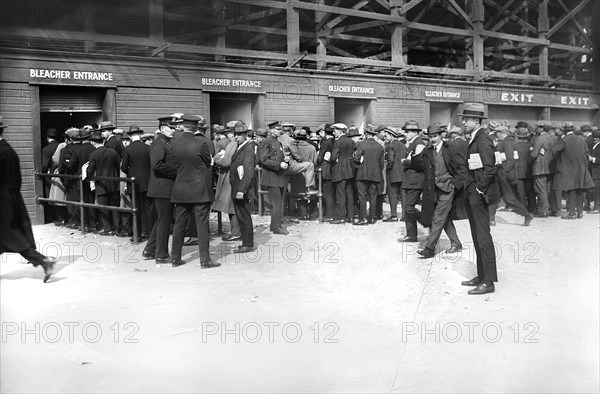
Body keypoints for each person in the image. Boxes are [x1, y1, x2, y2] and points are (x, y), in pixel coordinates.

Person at [0, 116, 57, 282]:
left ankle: (44, 261)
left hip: (3, 200)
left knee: (13, 236)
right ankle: (43, 261)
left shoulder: (2, 151)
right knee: (11, 236)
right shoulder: (9, 150)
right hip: (11, 197)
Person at [460, 103, 499, 295]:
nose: (463, 122)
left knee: (483, 238)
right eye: (463, 119)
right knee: (477, 237)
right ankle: (481, 275)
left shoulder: (483, 140)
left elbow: (491, 168)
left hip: (479, 196)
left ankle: (489, 281)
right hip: (473, 194)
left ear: (477, 120)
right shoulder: (475, 138)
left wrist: (478, 189)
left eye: (467, 119)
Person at [170, 115, 219, 268]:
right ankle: (205, 260)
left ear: (182, 126)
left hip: (180, 189)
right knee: (202, 225)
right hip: (199, 190)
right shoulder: (201, 144)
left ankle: (175, 258)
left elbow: (173, 163)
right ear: (197, 127)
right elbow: (208, 163)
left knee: (179, 224)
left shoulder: (174, 144)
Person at [413, 124, 466, 258]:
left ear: (441, 135)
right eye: (430, 137)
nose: (433, 139)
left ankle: (429, 249)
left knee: (437, 218)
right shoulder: (428, 150)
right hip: (433, 190)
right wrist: (414, 154)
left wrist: (455, 184)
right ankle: (456, 243)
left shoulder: (450, 148)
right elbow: (419, 166)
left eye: (435, 136)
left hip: (447, 189)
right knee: (444, 217)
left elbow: (462, 168)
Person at [143, 116, 178, 264]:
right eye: (171, 128)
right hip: (162, 188)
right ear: (162, 128)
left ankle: (150, 250)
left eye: (175, 128)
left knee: (161, 220)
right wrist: (175, 171)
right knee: (164, 221)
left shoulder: (164, 142)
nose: (173, 131)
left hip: (163, 188)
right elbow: (156, 164)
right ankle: (161, 254)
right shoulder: (159, 142)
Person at [553, 122, 595, 219]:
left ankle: (571, 213)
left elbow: (555, 151)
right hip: (581, 168)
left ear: (565, 130)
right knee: (579, 189)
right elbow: (586, 153)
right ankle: (579, 212)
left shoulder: (564, 140)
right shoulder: (581, 139)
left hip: (568, 168)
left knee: (571, 190)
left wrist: (560, 161)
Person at [86, 130, 121, 235]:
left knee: (103, 207)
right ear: (103, 140)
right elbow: (118, 165)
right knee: (115, 206)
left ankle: (108, 229)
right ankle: (118, 228)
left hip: (101, 184)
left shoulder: (93, 154)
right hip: (114, 183)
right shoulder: (113, 152)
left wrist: (89, 178)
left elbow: (90, 170)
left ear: (93, 142)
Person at [121, 125, 152, 240]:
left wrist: (131, 171)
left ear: (129, 136)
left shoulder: (127, 149)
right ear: (140, 135)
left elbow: (124, 167)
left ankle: (137, 234)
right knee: (148, 208)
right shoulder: (148, 148)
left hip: (134, 183)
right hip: (147, 182)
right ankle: (149, 232)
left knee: (136, 208)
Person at [229, 125, 257, 253]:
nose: (236, 137)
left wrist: (242, 189)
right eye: (235, 134)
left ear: (245, 135)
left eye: (239, 135)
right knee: (241, 216)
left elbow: (249, 172)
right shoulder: (241, 147)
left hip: (241, 189)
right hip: (237, 187)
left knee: (244, 216)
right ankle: (246, 242)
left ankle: (248, 244)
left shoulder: (248, 149)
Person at [259, 122, 289, 235]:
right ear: (271, 130)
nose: (280, 130)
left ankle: (276, 224)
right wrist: (279, 164)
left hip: (279, 176)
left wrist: (285, 161)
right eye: (277, 129)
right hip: (271, 176)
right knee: (276, 203)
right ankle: (276, 227)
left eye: (280, 128)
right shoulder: (266, 142)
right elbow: (263, 159)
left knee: (278, 202)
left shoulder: (278, 142)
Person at [213, 122, 241, 242]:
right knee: (234, 206)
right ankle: (236, 231)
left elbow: (225, 163)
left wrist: (216, 158)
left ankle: (236, 232)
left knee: (231, 206)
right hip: (236, 177)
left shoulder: (232, 145)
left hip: (229, 177)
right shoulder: (239, 144)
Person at [399, 120, 426, 242]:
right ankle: (411, 235)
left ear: (414, 132)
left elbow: (419, 162)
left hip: (415, 180)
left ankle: (426, 221)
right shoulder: (412, 143)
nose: (405, 134)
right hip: (410, 180)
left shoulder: (419, 143)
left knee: (409, 207)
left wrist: (405, 161)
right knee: (407, 207)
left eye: (407, 132)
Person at [353, 125, 384, 225]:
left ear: (366, 134)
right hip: (375, 175)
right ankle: (372, 218)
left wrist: (359, 165)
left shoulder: (362, 144)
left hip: (363, 174)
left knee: (362, 196)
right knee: (373, 197)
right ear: (375, 135)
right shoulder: (380, 147)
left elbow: (356, 159)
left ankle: (363, 218)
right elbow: (382, 164)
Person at [329, 123, 355, 224]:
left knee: (340, 194)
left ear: (340, 131)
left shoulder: (337, 142)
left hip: (339, 170)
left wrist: (330, 158)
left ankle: (340, 217)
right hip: (349, 171)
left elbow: (334, 157)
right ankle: (350, 216)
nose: (333, 132)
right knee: (349, 194)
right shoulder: (351, 141)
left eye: (335, 130)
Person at [381, 125, 406, 222]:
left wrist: (387, 168)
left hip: (392, 173)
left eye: (386, 135)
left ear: (391, 135)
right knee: (403, 195)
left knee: (392, 194)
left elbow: (390, 160)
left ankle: (394, 215)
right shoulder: (403, 145)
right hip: (402, 173)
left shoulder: (390, 146)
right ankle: (404, 216)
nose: (385, 137)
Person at [531, 120, 554, 217]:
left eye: (537, 128)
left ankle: (543, 210)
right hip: (550, 167)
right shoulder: (553, 138)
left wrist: (530, 157)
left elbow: (534, 155)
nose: (536, 129)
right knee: (547, 189)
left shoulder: (539, 139)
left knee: (540, 189)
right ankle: (548, 208)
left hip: (539, 167)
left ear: (541, 128)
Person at [316, 123, 335, 221]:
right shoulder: (335, 141)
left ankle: (329, 214)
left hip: (326, 168)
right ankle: (332, 213)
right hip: (333, 169)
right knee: (332, 192)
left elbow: (320, 157)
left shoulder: (325, 142)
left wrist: (318, 160)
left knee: (327, 193)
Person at [588, 130, 600, 212]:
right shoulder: (594, 145)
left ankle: (597, 207)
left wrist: (593, 159)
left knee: (597, 190)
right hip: (595, 170)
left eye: (597, 137)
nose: (595, 138)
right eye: (594, 137)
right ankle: (596, 206)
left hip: (598, 171)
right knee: (596, 189)